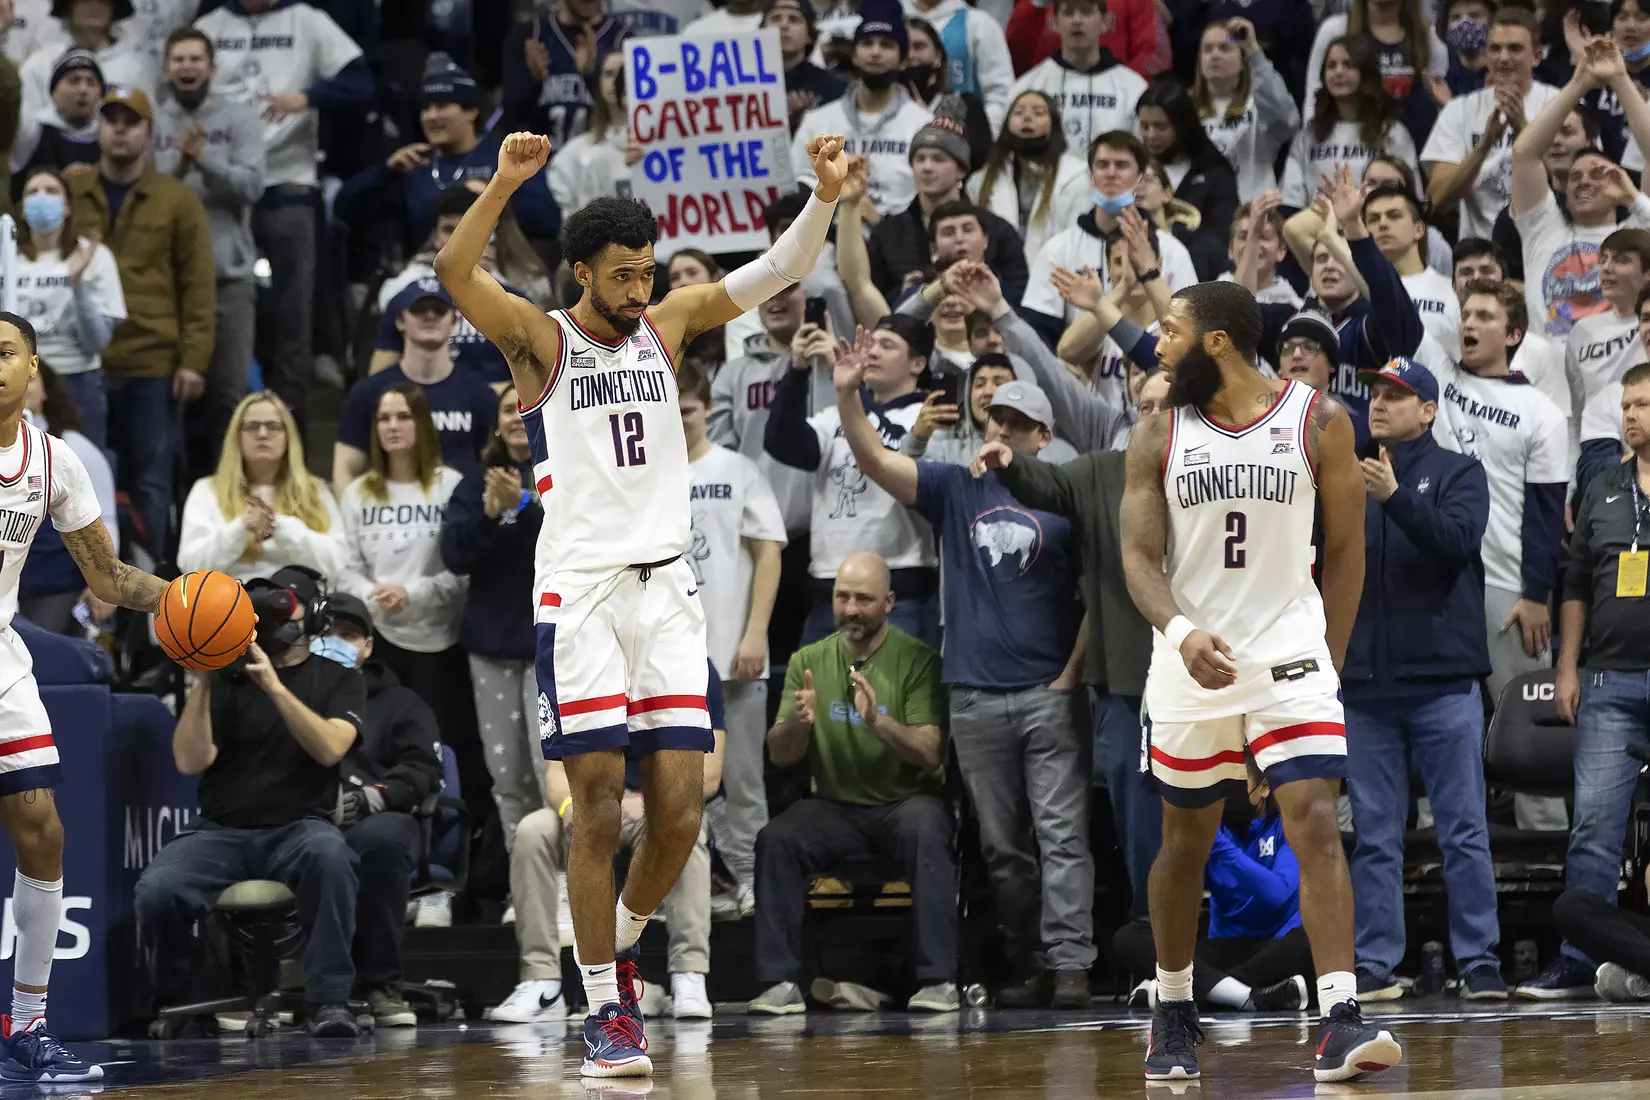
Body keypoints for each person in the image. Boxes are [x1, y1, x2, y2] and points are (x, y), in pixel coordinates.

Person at [434, 129, 847, 1077]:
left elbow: (780, 269)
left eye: (646, 274)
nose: (637, 290)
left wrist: (822, 196)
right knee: (590, 812)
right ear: (582, 272)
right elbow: (457, 268)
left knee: (679, 813)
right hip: (580, 595)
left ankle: (613, 947)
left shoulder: (670, 323)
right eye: (621, 277)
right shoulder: (541, 341)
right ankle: (605, 1008)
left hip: (669, 594)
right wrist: (504, 182)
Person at [1117, 280, 1400, 1083]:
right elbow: (1138, 559)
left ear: (1215, 343)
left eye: (1170, 332)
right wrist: (1179, 630)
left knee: (1314, 817)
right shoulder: (1158, 431)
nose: (1157, 344)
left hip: (1289, 650)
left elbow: (1346, 551)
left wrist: (1329, 667)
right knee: (1187, 839)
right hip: (1190, 654)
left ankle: (1341, 1015)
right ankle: (1174, 1005)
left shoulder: (1319, 419)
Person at [843, 340, 1092, 1006]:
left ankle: (1070, 967)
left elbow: (1099, 597)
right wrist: (847, 396)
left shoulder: (1068, 493)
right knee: (1004, 849)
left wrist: (1070, 675)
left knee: (1063, 837)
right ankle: (1029, 961)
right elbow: (874, 459)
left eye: (1016, 423)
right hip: (977, 698)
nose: (1000, 430)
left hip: (1047, 693)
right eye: (994, 419)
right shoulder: (956, 486)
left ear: (1044, 437)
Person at [0, 310, 173, 1082]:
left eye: (4, 352)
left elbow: (107, 580)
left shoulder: (53, 461)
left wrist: (185, 596)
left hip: (2, 656)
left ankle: (30, 1022)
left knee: (43, 830)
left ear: (33, 367)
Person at [135, 567, 365, 1038]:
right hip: (220, 830)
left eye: (284, 606)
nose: (269, 618)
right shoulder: (225, 678)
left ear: (312, 617)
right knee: (158, 888)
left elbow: (330, 748)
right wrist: (202, 681)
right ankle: (184, 1001)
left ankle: (329, 1002)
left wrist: (275, 688)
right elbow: (189, 760)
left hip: (299, 827)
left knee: (331, 856)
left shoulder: (337, 678)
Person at [1340, 358, 1505, 1002]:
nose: (1380, 404)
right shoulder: (1347, 480)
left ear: (1429, 411)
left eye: (1397, 396)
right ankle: (1375, 963)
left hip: (1442, 683)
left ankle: (1480, 958)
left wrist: (1395, 498)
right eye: (1376, 394)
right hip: (1368, 685)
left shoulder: (1460, 472)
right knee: (1375, 836)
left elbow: (1456, 541)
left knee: (1463, 828)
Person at [747, 551, 956, 1015]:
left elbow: (929, 752)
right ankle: (778, 984)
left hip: (904, 802)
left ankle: (937, 981)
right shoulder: (809, 659)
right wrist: (798, 724)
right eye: (843, 597)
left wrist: (877, 722)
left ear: (889, 602)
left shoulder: (918, 660)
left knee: (928, 829)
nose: (852, 608)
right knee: (777, 839)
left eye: (864, 598)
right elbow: (780, 755)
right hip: (835, 807)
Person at [491, 661, 727, 1023]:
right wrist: (574, 808)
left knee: (687, 831)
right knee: (531, 832)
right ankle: (542, 983)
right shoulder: (578, 663)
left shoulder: (690, 662)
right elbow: (555, 774)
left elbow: (708, 776)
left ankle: (689, 975)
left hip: (654, 803)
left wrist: (646, 804)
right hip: (590, 802)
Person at [1431, 280, 1569, 839]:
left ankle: (1543, 851)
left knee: (1529, 730)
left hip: (1508, 589)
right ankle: (1431, 851)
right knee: (1438, 725)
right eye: (1467, 313)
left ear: (1512, 334)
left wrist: (1537, 594)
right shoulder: (1438, 382)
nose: (1471, 322)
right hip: (1439, 580)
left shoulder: (1541, 411)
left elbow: (1544, 513)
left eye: (1486, 316)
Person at [194, 0, 372, 430]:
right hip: (221, 185)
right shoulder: (209, 26)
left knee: (292, 310)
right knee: (222, 304)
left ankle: (290, 416)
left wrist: (309, 96)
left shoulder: (307, 21)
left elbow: (361, 81)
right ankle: (219, 416)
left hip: (287, 179)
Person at [1534, 362, 1650, 1000]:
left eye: (1643, 404)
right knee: (1595, 825)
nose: (1630, 415)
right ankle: (1583, 958)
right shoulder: (1604, 487)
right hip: (1608, 681)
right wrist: (1566, 667)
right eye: (1626, 405)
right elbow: (1574, 585)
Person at [67, 86, 212, 553]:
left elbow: (198, 284)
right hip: (85, 362)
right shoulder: (70, 190)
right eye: (111, 120)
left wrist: (194, 359)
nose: (120, 129)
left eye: (131, 121)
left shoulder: (177, 198)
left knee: (151, 482)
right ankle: (85, 582)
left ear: (150, 133)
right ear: (99, 129)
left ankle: (146, 588)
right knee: (77, 478)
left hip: (153, 361)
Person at [336, 382, 473, 839]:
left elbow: (462, 574)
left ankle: (441, 873)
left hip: (439, 644)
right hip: (378, 647)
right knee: (380, 757)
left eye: (402, 417)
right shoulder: (357, 494)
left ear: (421, 424)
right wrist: (378, 594)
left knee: (439, 756)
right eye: (383, 419)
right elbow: (345, 571)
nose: (392, 427)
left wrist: (410, 593)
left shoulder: (449, 486)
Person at [763, 314, 940, 648]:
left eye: (886, 346)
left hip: (900, 589)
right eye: (870, 344)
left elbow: (891, 454)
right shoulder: (835, 417)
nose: (871, 353)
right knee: (816, 699)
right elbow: (781, 443)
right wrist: (798, 369)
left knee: (895, 701)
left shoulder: (929, 416)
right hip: (829, 588)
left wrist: (851, 392)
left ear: (918, 363)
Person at [680, 363, 785, 917]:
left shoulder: (737, 469)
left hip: (733, 656)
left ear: (708, 410)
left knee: (742, 783)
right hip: (668, 666)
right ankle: (713, 882)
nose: (678, 422)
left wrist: (756, 633)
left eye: (688, 411)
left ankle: (752, 882)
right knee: (680, 788)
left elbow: (768, 551)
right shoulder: (645, 474)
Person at [316, 594, 444, 1030]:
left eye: (348, 636)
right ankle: (260, 990)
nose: (335, 642)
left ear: (368, 645)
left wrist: (377, 795)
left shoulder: (401, 702)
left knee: (382, 841)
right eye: (326, 633)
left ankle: (378, 984)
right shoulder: (296, 693)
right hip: (307, 815)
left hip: (380, 813)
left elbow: (426, 770)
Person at [150, 27, 265, 486]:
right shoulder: (154, 122)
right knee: (170, 401)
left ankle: (230, 495)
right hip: (170, 286)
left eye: (196, 59)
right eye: (178, 59)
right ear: (166, 68)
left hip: (229, 279)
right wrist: (180, 165)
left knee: (228, 397)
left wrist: (205, 162)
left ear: (212, 67)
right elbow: (149, 191)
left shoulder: (239, 118)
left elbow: (254, 187)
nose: (187, 67)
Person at [1111, 759, 1316, 1012]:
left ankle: (1198, 990)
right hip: (1223, 942)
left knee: (1311, 939)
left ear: (1264, 787)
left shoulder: (1285, 826)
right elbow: (1179, 890)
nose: (1227, 791)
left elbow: (1277, 894)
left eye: (1237, 780)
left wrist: (1221, 849)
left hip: (1273, 943)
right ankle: (1246, 996)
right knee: (1130, 938)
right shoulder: (1207, 829)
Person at [439, 384, 547, 851]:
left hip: (552, 646)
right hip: (491, 648)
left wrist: (524, 503)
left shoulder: (566, 471)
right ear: (497, 422)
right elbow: (454, 556)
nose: (519, 415)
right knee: (506, 776)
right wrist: (487, 514)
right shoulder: (474, 482)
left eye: (528, 405)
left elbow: (582, 533)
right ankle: (525, 881)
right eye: (509, 408)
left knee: (552, 771)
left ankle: (566, 881)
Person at [337, 53, 559, 259]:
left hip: (497, 273)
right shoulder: (413, 165)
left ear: (471, 111)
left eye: (442, 106)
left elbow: (548, 220)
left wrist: (495, 197)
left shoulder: (505, 156)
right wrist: (385, 171)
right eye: (426, 108)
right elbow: (344, 208)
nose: (431, 116)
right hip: (428, 279)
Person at [1510, 35, 1650, 341]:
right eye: (1575, 177)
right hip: (1547, 381)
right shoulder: (1543, 231)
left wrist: (1619, 78)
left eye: (1597, 174)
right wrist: (1580, 83)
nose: (1584, 181)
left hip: (1620, 379)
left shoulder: (1639, 232)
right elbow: (1524, 154)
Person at [1020, 130, 1198, 346]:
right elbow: (1038, 331)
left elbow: (1190, 327)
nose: (1111, 173)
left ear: (1140, 177)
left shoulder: (1171, 250)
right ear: (1091, 175)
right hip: (1078, 368)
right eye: (1102, 165)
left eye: (1122, 165)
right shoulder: (1058, 249)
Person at [334, 280, 500, 490]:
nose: (430, 316)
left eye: (439, 310)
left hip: (460, 515)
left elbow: (494, 464)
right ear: (400, 320)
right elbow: (346, 467)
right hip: (389, 515)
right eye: (418, 309)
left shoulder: (480, 394)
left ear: (455, 320)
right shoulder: (367, 393)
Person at [866, 97, 1028, 303]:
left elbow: (1019, 293)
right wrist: (905, 294)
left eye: (938, 159)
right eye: (920, 158)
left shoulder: (998, 230)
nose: (927, 167)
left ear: (961, 170)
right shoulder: (888, 234)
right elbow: (873, 301)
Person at [177, 392, 346, 583]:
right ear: (237, 436)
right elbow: (190, 566)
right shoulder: (206, 490)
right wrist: (241, 529)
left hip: (299, 601)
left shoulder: (316, 490)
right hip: (228, 602)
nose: (262, 434)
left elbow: (337, 564)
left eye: (273, 426)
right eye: (252, 426)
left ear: (288, 436)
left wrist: (280, 527)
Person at [1423, 7, 1558, 243]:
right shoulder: (1459, 110)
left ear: (1536, 56)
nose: (1503, 57)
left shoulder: (1558, 104)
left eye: (1515, 48)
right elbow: (1438, 200)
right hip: (1481, 254)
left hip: (1547, 243)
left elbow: (1570, 184)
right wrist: (1485, 143)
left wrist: (1523, 131)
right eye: (1495, 49)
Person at [11, 166, 123, 449]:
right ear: (22, 208)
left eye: (52, 191)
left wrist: (77, 286)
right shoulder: (5, 259)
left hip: (78, 381)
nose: (42, 197)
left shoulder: (94, 257)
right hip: (18, 381)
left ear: (68, 206)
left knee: (79, 477)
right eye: (33, 192)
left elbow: (98, 341)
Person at [791, 0, 931, 219]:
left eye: (886, 45)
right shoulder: (816, 122)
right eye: (867, 43)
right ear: (854, 55)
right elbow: (797, 187)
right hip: (829, 237)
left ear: (903, 60)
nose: (875, 52)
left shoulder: (922, 125)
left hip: (902, 241)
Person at [16, 362, 118, 635]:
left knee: (42, 665)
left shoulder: (75, 449)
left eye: (29, 378)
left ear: (46, 390)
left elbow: (103, 518)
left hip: (54, 583)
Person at [1281, 37, 1420, 211]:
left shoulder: (1392, 133)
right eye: (1331, 66)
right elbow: (1290, 203)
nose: (1338, 72)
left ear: (1366, 73)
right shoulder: (1308, 137)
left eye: (1348, 65)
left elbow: (1412, 200)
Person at [968, 91, 1089, 272]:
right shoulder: (981, 181)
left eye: (1038, 113)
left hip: (1057, 281)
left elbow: (1079, 243)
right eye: (1018, 113)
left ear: (1054, 125)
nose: (1027, 117)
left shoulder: (1077, 176)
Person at [1009, 0, 1146, 155]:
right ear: (1054, 23)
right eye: (1068, 13)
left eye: (1086, 12)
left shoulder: (1134, 88)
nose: (1077, 20)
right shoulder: (1028, 86)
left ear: (1105, 22)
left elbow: (1142, 156)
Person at [1302, 0, 1448, 146]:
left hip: (1411, 148)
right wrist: (1312, 146)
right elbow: (1314, 95)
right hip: (1349, 148)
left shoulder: (1428, 38)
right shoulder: (1336, 29)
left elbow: (1441, 104)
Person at [1194, 17, 1298, 203]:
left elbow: (1288, 119)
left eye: (1225, 48)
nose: (1214, 55)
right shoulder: (1186, 108)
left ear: (1243, 60)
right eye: (1207, 49)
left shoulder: (1259, 104)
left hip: (1253, 211)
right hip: (1203, 213)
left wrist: (1254, 52)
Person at [1135, 79, 1239, 245]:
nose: (1151, 135)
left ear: (1182, 125)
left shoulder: (1215, 173)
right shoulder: (1132, 170)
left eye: (1160, 126)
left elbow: (1222, 237)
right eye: (1144, 126)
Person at [18, 0, 152, 124]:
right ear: (69, 7)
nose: (94, 6)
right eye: (85, 0)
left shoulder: (134, 69)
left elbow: (147, 126)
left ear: (114, 8)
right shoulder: (39, 65)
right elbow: (26, 125)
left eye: (103, 1)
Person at [1567, 230, 1650, 426]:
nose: (1606, 268)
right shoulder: (1582, 331)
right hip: (1598, 444)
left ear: (1648, 273)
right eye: (1603, 259)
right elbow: (1577, 407)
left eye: (1621, 260)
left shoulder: (1645, 327)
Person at [544, 49, 634, 220]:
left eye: (624, 72)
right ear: (598, 83)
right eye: (609, 74)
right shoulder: (576, 152)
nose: (617, 81)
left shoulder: (663, 145)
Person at [9, 47, 101, 181]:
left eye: (91, 82)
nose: (83, 90)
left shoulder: (107, 136)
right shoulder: (32, 129)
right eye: (74, 81)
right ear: (54, 92)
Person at [765, 0, 846, 131]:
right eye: (775, 19)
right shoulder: (743, 88)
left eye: (793, 19)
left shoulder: (834, 87)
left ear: (809, 35)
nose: (783, 25)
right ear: (761, 31)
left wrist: (802, 121)